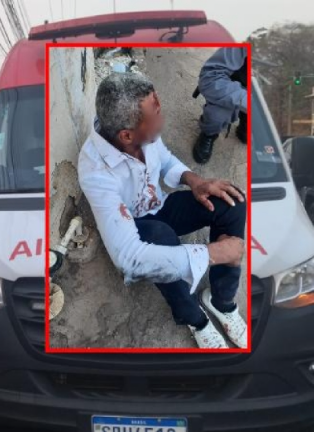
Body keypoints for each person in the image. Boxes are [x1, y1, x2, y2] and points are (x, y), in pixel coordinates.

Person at [78, 72, 248, 349]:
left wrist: (196, 181)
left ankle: (222, 302)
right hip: (135, 226)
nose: (163, 119)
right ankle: (196, 319)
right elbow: (129, 258)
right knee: (159, 235)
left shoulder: (139, 132)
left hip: (159, 205)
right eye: (156, 114)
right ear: (126, 135)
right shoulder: (95, 172)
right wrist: (213, 254)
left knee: (231, 200)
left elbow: (165, 158)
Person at [192, 47, 248, 164]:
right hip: (231, 86)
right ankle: (209, 134)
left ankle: (245, 127)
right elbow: (210, 78)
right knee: (216, 117)